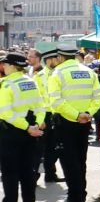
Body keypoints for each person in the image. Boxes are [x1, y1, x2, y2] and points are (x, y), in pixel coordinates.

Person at [46, 44, 100, 202]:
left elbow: (56, 102)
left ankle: (74, 196)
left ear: (60, 57)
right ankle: (81, 194)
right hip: (84, 124)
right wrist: (87, 114)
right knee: (80, 160)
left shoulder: (57, 73)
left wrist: (76, 115)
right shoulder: (89, 71)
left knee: (69, 162)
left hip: (65, 124)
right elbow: (99, 98)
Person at [0, 52, 45, 202]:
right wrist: (35, 126)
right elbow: (40, 107)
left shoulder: (6, 84)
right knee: (27, 171)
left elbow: (5, 113)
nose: (3, 67)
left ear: (13, 67)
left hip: (10, 134)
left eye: (5, 64)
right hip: (31, 134)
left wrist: (27, 127)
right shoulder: (31, 82)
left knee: (9, 173)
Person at [32, 47, 64, 184]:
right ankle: (33, 176)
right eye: (55, 59)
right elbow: (35, 98)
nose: (57, 61)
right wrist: (39, 119)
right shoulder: (39, 77)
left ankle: (50, 174)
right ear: (48, 60)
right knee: (39, 148)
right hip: (44, 115)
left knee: (54, 146)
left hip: (57, 114)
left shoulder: (59, 74)